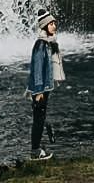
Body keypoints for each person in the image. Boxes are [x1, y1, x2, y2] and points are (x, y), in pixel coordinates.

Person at [27, 10, 64, 161]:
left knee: (40, 119)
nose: (54, 26)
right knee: (38, 120)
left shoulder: (49, 43)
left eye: (55, 23)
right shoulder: (41, 44)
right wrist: (38, 92)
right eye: (51, 24)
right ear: (44, 26)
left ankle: (37, 149)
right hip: (40, 89)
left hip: (45, 88)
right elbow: (36, 69)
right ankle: (35, 152)